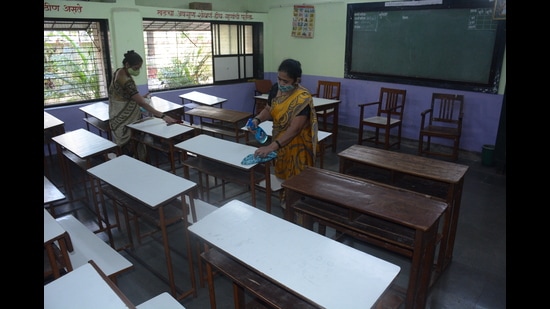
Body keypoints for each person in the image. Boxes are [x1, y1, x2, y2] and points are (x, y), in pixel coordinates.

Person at [249, 58, 318, 182]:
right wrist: (257, 120)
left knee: (296, 180)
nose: (281, 84)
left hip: (296, 144)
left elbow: (295, 129)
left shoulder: (302, 98)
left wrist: (271, 147)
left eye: (285, 81)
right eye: (279, 79)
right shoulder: (275, 89)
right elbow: (269, 109)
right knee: (281, 177)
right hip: (278, 140)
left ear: (297, 80)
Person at [108, 50, 178, 158]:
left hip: (116, 115)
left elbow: (125, 95)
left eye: (139, 67)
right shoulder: (125, 80)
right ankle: (133, 165)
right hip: (124, 118)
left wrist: (141, 97)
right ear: (127, 65)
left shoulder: (119, 71)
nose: (138, 71)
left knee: (132, 145)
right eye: (136, 68)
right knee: (129, 146)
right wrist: (163, 116)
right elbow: (141, 103)